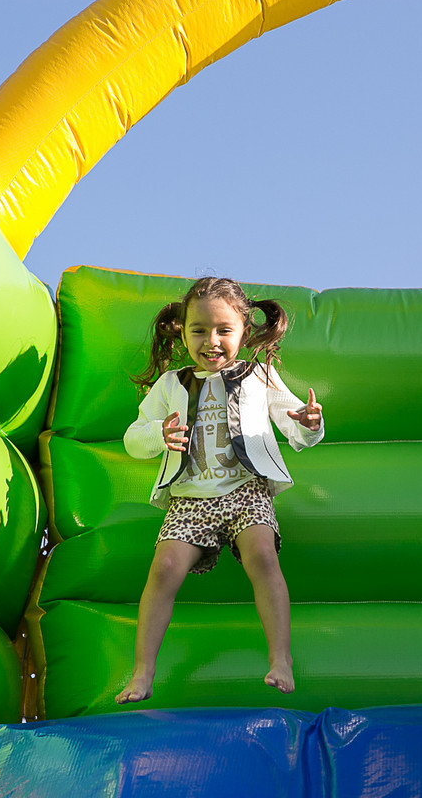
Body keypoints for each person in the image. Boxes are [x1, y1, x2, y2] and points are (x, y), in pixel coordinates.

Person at [115, 276, 324, 704]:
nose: (212, 340)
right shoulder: (172, 384)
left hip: (246, 487)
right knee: (164, 568)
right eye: (199, 330)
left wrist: (308, 423)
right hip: (190, 496)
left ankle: (280, 659)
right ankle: (142, 671)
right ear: (182, 333)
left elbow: (293, 425)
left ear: (244, 332)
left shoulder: (258, 376)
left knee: (263, 555)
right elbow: (133, 438)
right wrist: (159, 433)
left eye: (224, 330)